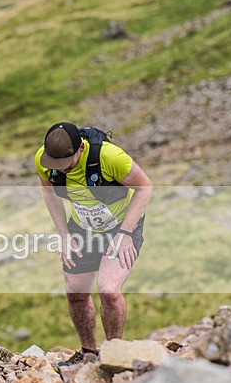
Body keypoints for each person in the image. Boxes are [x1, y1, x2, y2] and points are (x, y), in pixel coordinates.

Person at [35, 122, 152, 366]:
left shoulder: (109, 157)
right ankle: (88, 353)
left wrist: (125, 233)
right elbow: (48, 193)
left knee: (109, 290)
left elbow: (144, 187)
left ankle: (113, 355)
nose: (61, 171)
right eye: (55, 165)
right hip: (82, 227)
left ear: (79, 149)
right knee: (75, 291)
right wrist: (64, 235)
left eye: (65, 164)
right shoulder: (44, 161)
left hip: (121, 226)